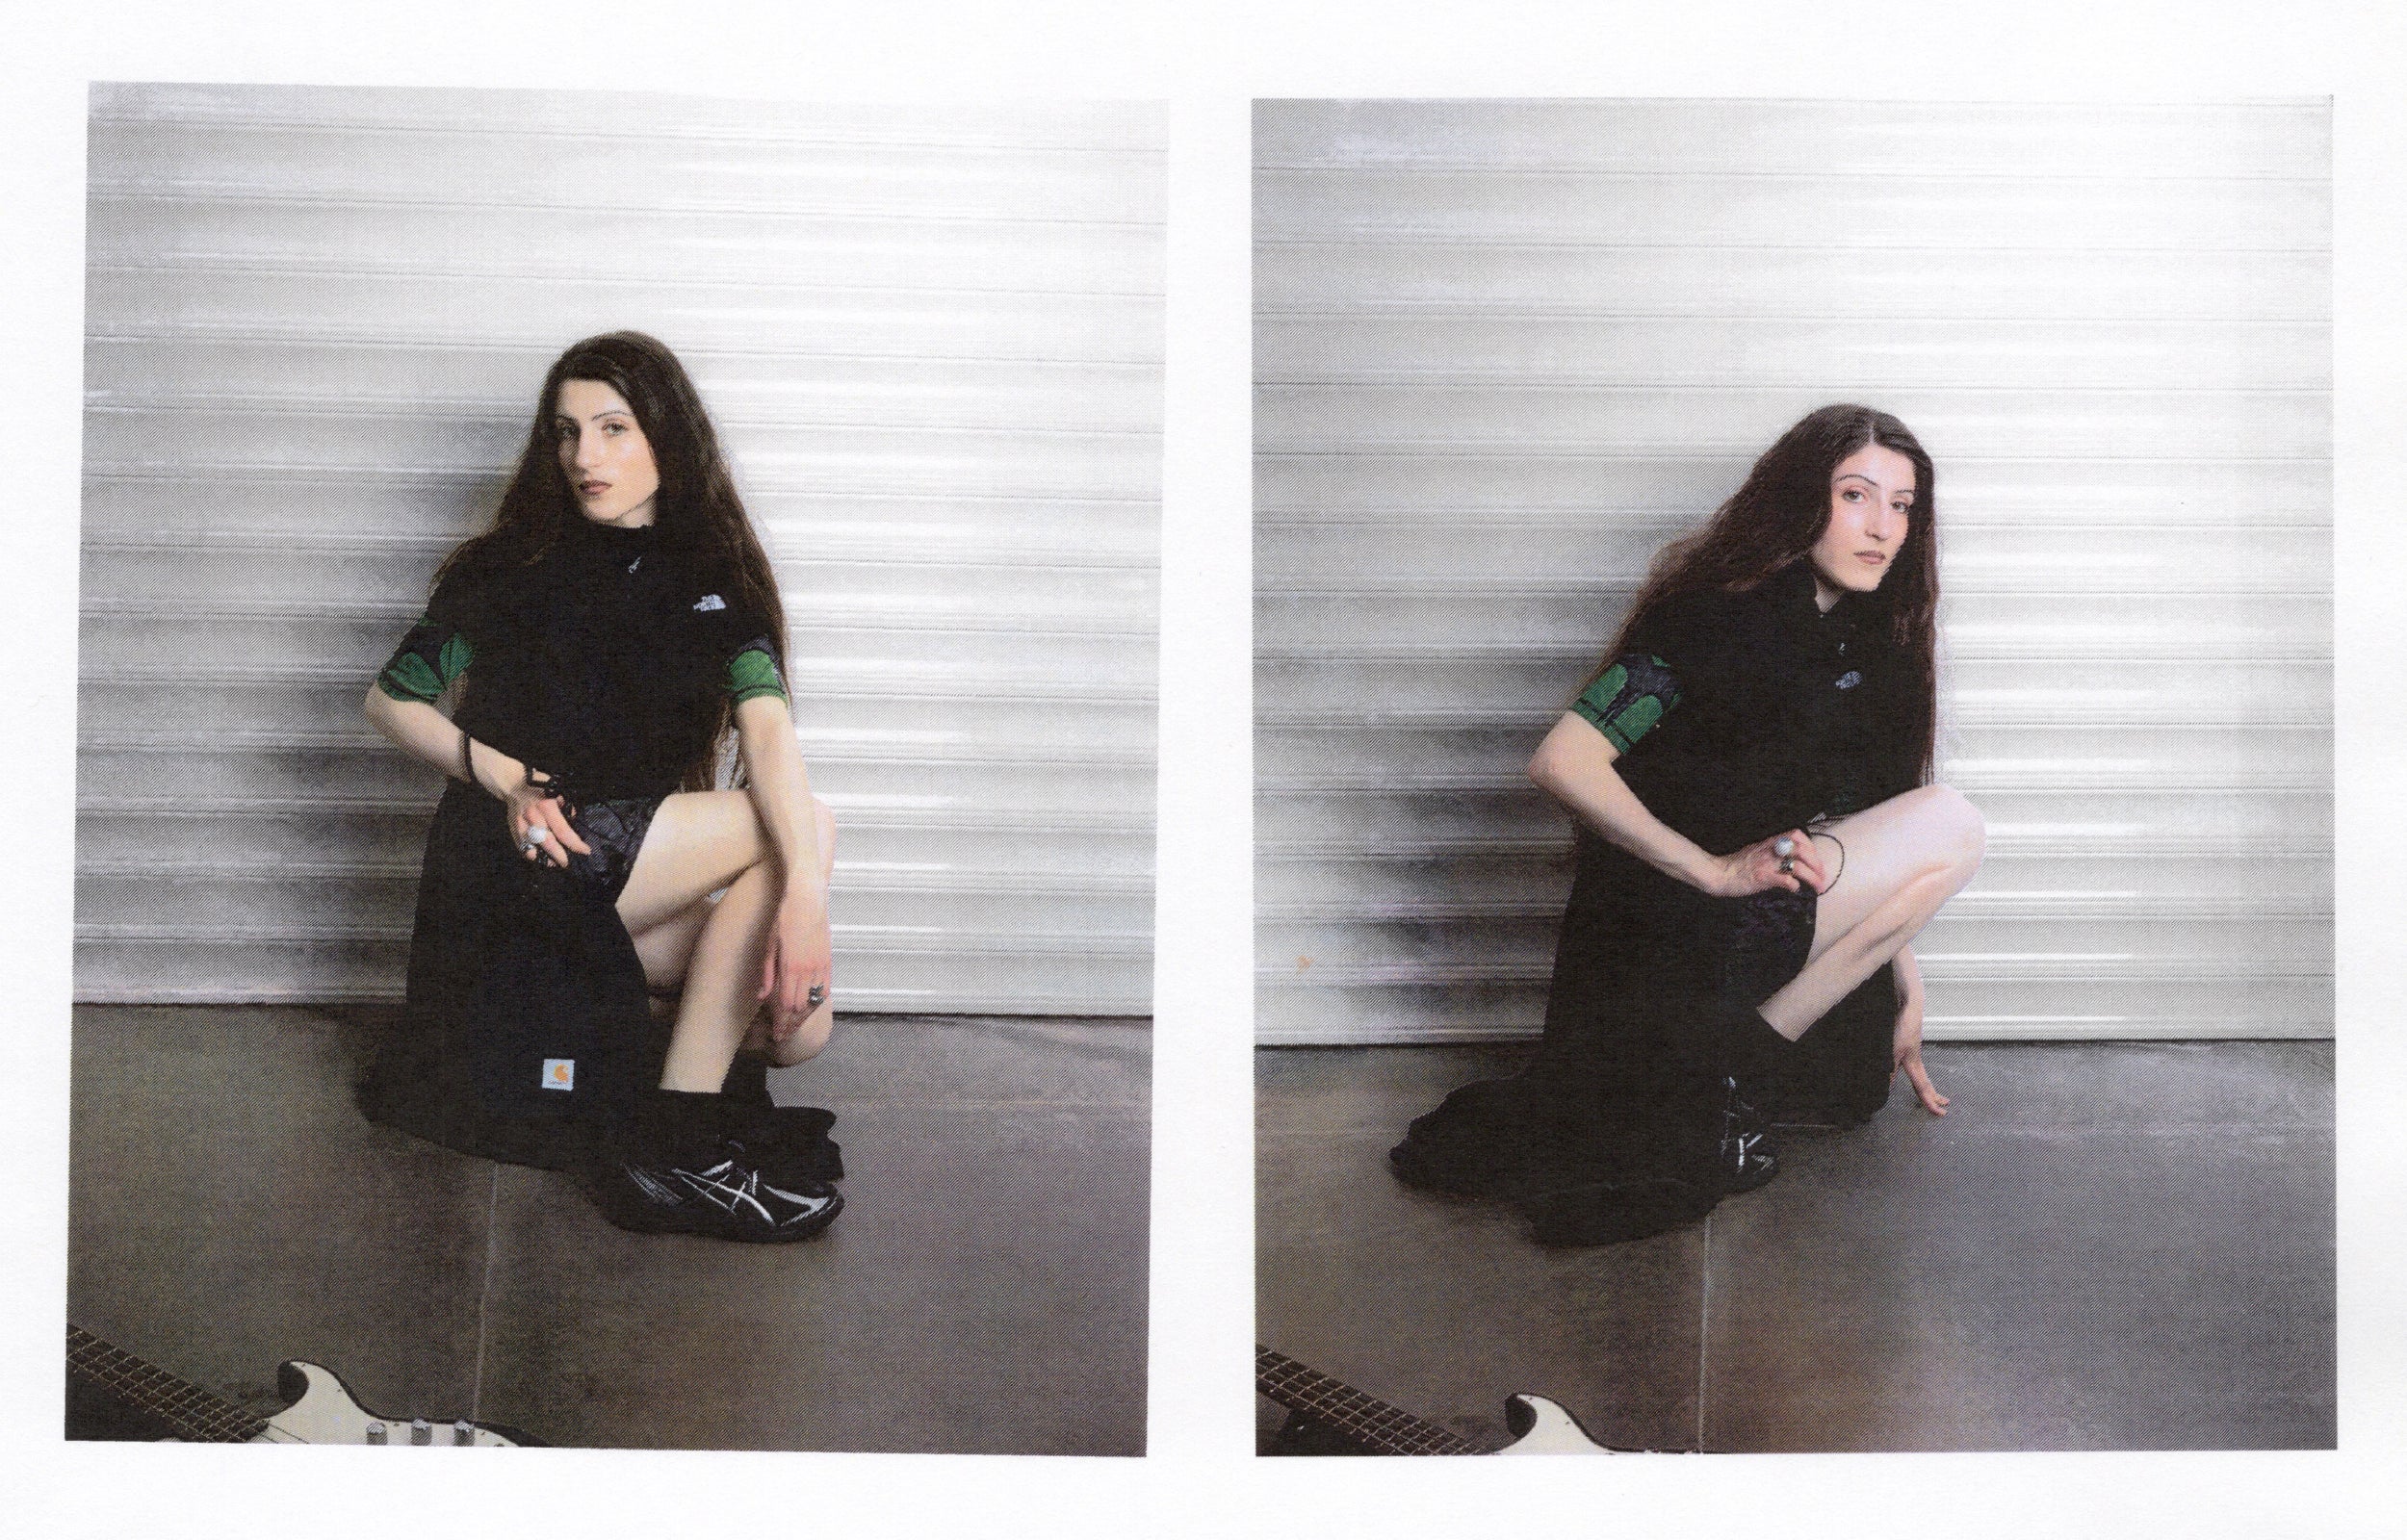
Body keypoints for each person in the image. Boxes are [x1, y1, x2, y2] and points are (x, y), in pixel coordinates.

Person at [1389, 404, 1986, 1246]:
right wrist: (1711, 869)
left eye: (1902, 505)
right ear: (1798, 498)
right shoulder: (1708, 617)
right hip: (1663, 927)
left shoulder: (1866, 643)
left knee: (1853, 1082)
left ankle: (1724, 1077)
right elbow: (1562, 760)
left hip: (1752, 922)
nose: (1882, 527)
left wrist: (1907, 985)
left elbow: (1869, 834)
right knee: (1955, 819)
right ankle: (1717, 1080)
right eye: (1855, 495)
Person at [359, 331, 845, 1243]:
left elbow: (769, 732)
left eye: (614, 428)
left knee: (799, 1027)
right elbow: (392, 699)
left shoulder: (717, 583)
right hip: (508, 863)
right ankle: (679, 1144)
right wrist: (504, 776)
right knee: (801, 828)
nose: (586, 456)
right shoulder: (507, 568)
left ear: (667, 436)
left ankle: (666, 1115)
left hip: (602, 878)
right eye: (567, 431)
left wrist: (804, 909)